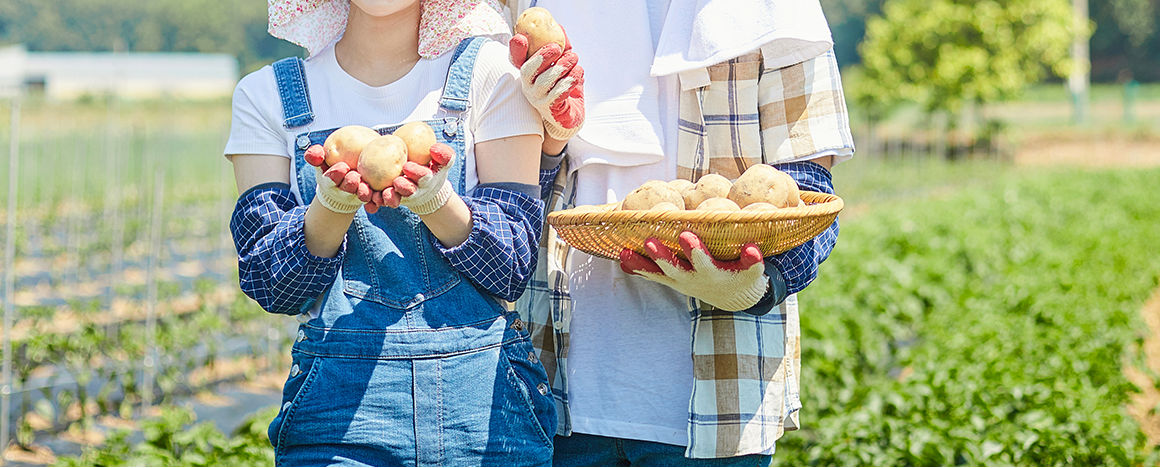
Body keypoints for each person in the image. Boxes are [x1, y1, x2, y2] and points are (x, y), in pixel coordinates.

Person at [505, 0, 856, 465]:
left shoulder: (780, 13)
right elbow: (503, 195)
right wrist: (549, 142)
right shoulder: (530, 8)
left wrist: (754, 286)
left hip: (719, 405)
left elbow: (808, 198)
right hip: (556, 399)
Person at [223, 0, 558, 465]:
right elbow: (271, 284)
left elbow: (512, 268)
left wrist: (435, 200)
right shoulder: (268, 94)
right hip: (339, 422)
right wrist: (332, 204)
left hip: (487, 414)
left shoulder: (494, 74)